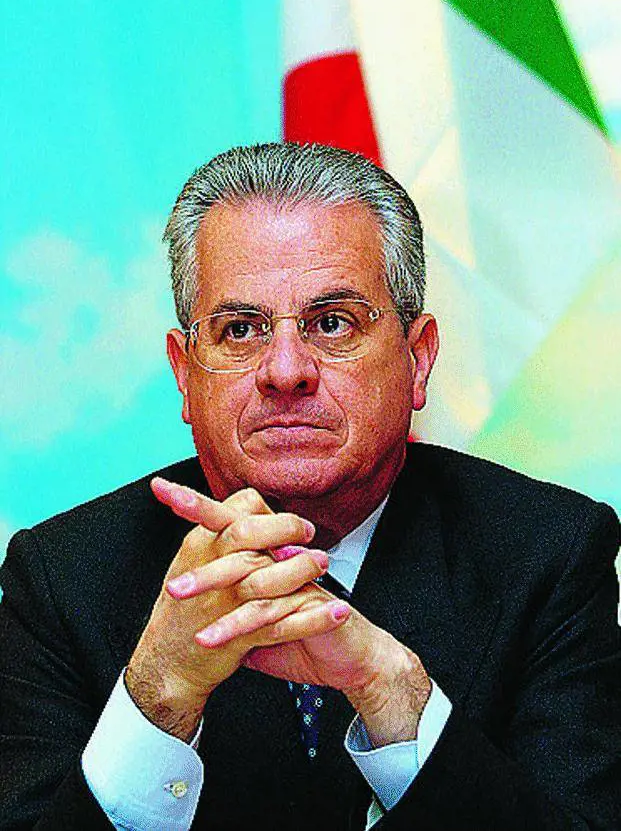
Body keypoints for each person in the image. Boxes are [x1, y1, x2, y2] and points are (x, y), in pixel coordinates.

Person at [0, 142, 619, 831]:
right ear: (184, 371)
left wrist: (394, 695)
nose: (286, 370)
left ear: (417, 360)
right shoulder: (63, 578)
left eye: (332, 323)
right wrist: (158, 696)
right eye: (241, 329)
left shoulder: (547, 553)